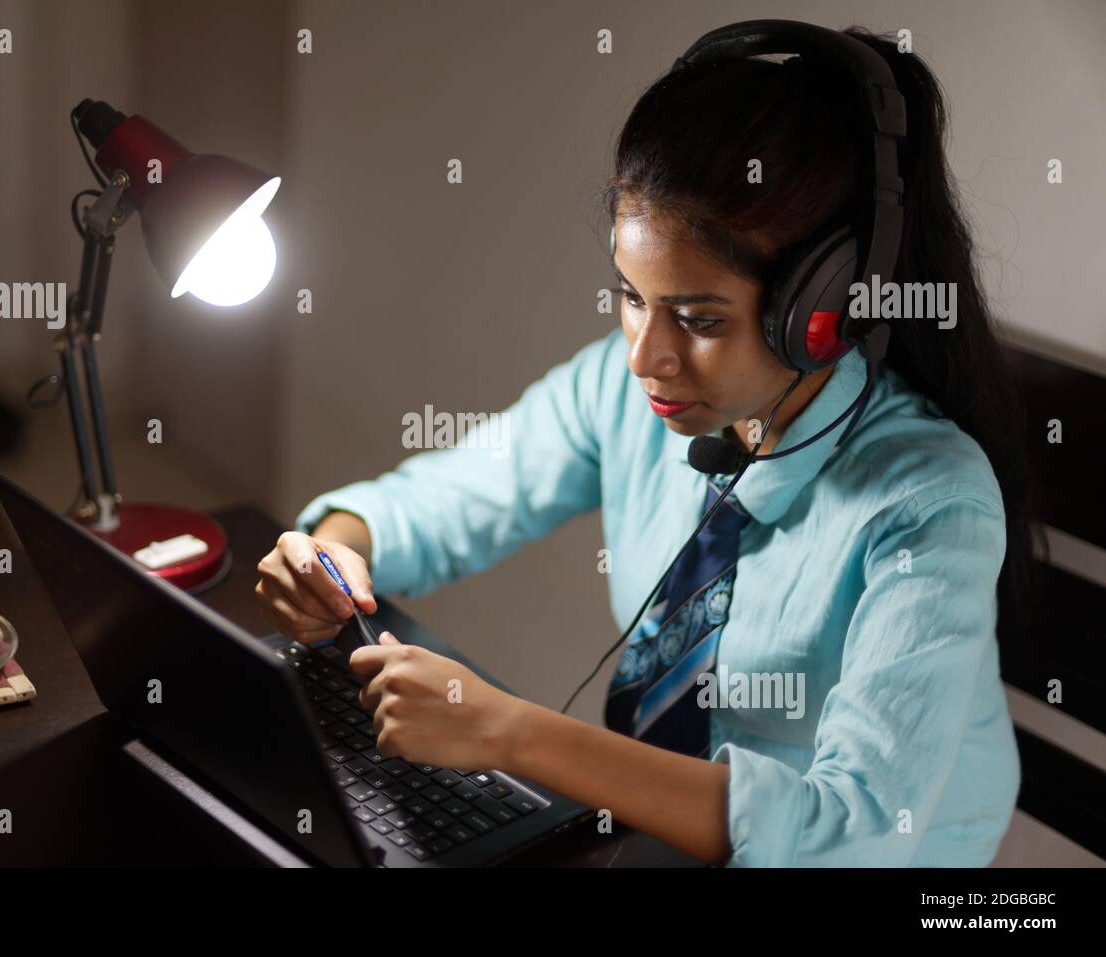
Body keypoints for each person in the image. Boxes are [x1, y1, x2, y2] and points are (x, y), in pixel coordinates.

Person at [254, 25, 1034, 866]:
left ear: (821, 312)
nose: (645, 357)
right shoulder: (628, 392)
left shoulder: (929, 502)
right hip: (661, 827)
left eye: (698, 319)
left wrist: (509, 731)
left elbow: (858, 826)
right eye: (631, 297)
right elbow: (444, 502)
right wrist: (332, 553)